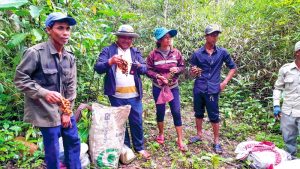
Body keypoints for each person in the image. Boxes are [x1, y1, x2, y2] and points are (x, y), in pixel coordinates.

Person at [14, 12, 81, 169]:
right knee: (52, 149)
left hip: (65, 108)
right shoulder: (35, 53)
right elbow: (20, 78)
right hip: (45, 111)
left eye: (68, 28)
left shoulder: (69, 56)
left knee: (73, 141)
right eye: (60, 28)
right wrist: (43, 92)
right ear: (48, 30)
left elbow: (71, 85)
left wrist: (66, 111)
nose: (65, 33)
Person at [94, 24, 150, 159]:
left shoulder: (135, 52)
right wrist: (110, 62)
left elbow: (145, 69)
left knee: (136, 121)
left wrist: (139, 66)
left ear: (132, 40)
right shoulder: (108, 50)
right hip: (116, 95)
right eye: (123, 37)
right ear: (118, 38)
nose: (126, 40)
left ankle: (139, 147)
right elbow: (98, 67)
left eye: (129, 38)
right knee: (120, 121)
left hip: (134, 95)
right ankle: (125, 147)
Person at [189, 24, 237, 154]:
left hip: (213, 89)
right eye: (212, 35)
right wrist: (193, 72)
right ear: (206, 36)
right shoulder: (197, 53)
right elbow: (191, 72)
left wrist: (225, 82)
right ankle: (199, 135)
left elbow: (233, 67)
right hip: (199, 87)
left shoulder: (222, 52)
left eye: (216, 35)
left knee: (214, 116)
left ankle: (216, 141)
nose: (214, 37)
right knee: (198, 113)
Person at [146, 27, 187, 151]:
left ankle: (180, 139)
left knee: (176, 111)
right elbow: (148, 70)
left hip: (173, 86)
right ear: (159, 40)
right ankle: (161, 134)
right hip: (158, 87)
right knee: (160, 111)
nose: (168, 39)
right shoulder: (153, 54)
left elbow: (182, 66)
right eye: (165, 37)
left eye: (169, 37)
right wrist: (158, 76)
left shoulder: (176, 53)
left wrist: (177, 70)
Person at [273, 41, 300, 157]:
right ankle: (292, 162)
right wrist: (276, 105)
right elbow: (277, 88)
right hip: (288, 111)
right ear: (297, 53)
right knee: (289, 141)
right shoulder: (286, 69)